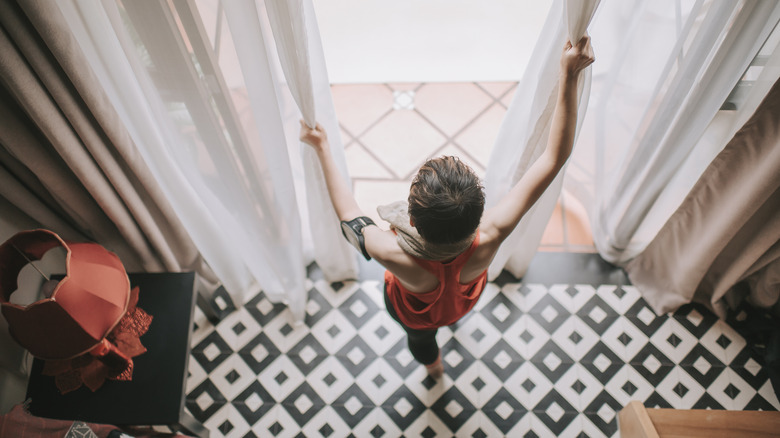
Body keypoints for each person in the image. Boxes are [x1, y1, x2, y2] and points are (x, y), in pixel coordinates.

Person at [300, 36, 594, 378]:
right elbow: (554, 158)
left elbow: (348, 213)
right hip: (463, 303)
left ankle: (434, 368)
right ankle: (451, 325)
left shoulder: (393, 254)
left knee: (420, 338)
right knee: (450, 314)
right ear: (478, 212)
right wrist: (569, 75)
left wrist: (322, 148)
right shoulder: (494, 234)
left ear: (410, 219)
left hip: (415, 315)